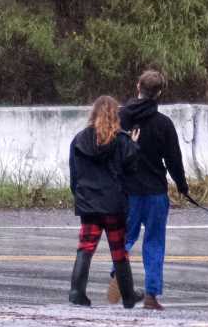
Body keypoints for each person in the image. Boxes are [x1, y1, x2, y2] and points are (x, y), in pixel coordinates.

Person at [118, 68, 190, 311]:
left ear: (138, 86)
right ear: (159, 93)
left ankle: (117, 276)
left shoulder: (121, 118)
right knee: (154, 242)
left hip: (127, 190)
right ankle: (151, 295)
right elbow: (173, 159)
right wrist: (182, 186)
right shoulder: (164, 124)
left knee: (125, 238)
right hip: (155, 191)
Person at [68, 95, 139, 308]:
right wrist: (135, 146)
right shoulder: (123, 140)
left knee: (85, 248)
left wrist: (80, 196)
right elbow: (131, 170)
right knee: (119, 251)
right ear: (115, 114)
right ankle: (128, 296)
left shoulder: (79, 139)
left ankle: (76, 292)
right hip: (114, 205)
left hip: (89, 204)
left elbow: (74, 175)